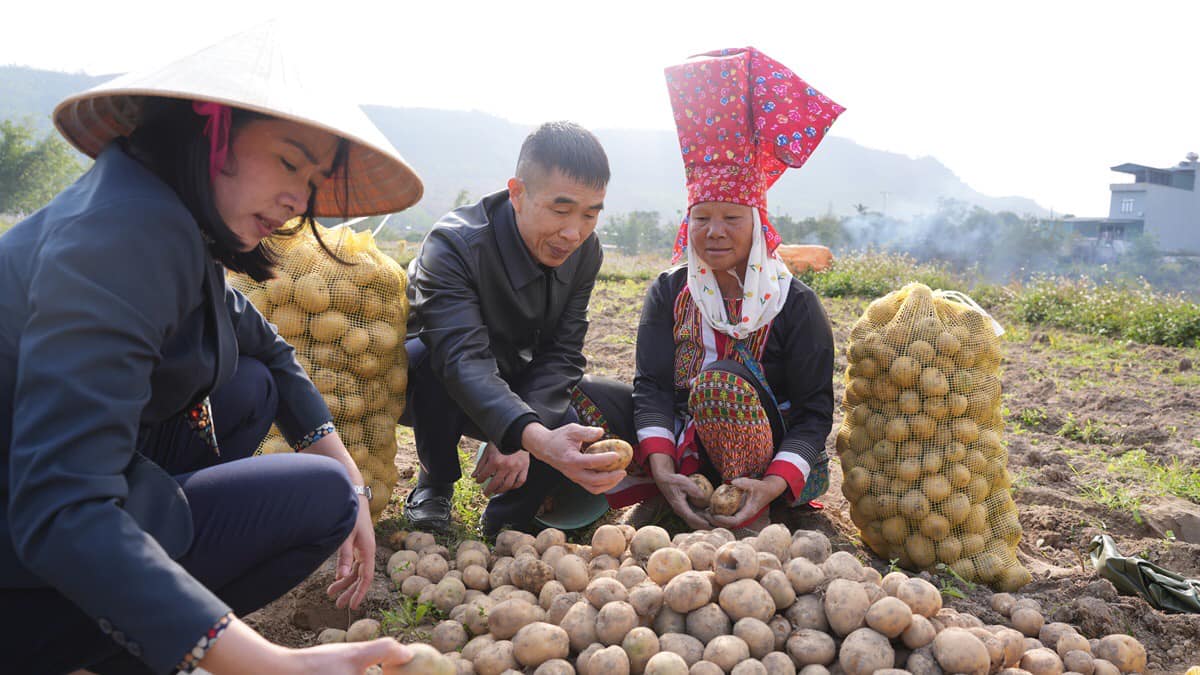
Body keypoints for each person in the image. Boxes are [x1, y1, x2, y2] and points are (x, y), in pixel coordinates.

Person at [0, 25, 423, 674]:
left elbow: (268, 345)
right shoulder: (121, 240)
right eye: (288, 162)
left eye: (312, 179)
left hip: (48, 481)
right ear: (212, 129)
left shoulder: (161, 213)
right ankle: (133, 636)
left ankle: (146, 607)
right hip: (30, 547)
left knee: (252, 387)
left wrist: (354, 477)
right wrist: (273, 663)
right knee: (318, 497)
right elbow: (61, 508)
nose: (299, 200)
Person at [617, 47, 845, 532]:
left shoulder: (795, 304)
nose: (714, 231)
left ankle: (751, 504)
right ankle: (671, 487)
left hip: (767, 455)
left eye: (732, 218)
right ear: (687, 222)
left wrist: (777, 480)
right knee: (574, 396)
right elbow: (653, 385)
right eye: (702, 217)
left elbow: (814, 411)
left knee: (720, 381)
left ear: (759, 225)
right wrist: (659, 464)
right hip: (682, 448)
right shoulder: (670, 291)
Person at [400, 121, 630, 536]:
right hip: (430, 378)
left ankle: (506, 523)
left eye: (590, 214)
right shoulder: (454, 245)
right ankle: (435, 482)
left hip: (513, 369)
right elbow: (461, 357)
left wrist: (524, 432)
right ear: (518, 193)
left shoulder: (585, 251)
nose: (573, 232)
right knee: (435, 363)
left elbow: (564, 353)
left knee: (565, 416)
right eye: (561, 210)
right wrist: (526, 435)